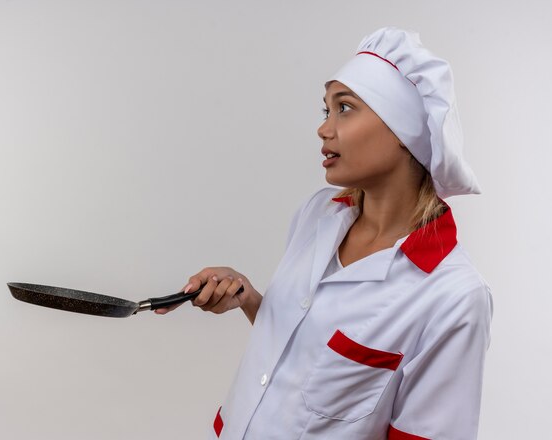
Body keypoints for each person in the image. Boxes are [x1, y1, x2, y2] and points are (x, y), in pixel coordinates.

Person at [156, 26, 493, 440]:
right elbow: (312, 356)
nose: (324, 129)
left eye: (345, 108)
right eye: (325, 111)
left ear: (405, 133)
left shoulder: (453, 296)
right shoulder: (317, 214)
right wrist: (248, 298)